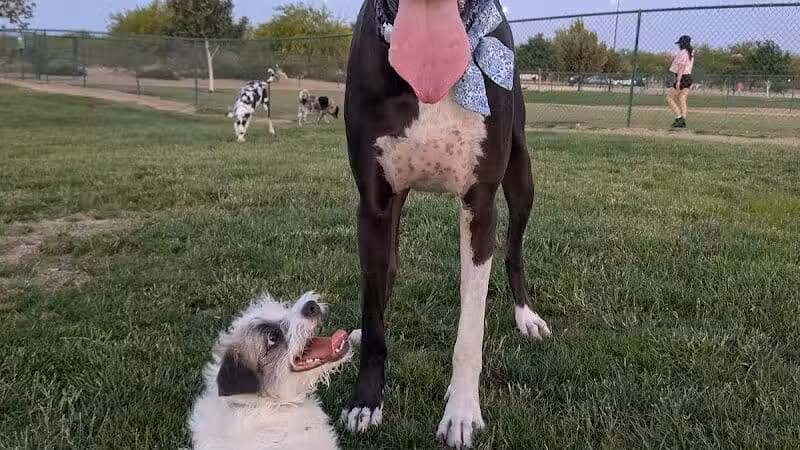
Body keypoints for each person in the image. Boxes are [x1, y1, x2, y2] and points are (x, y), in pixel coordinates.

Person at [667, 35, 695, 128]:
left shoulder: (683, 52)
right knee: (682, 98)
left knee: (669, 97)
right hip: (688, 77)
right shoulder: (690, 52)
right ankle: (683, 119)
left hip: (682, 77)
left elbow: (681, 67)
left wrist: (678, 80)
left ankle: (679, 118)